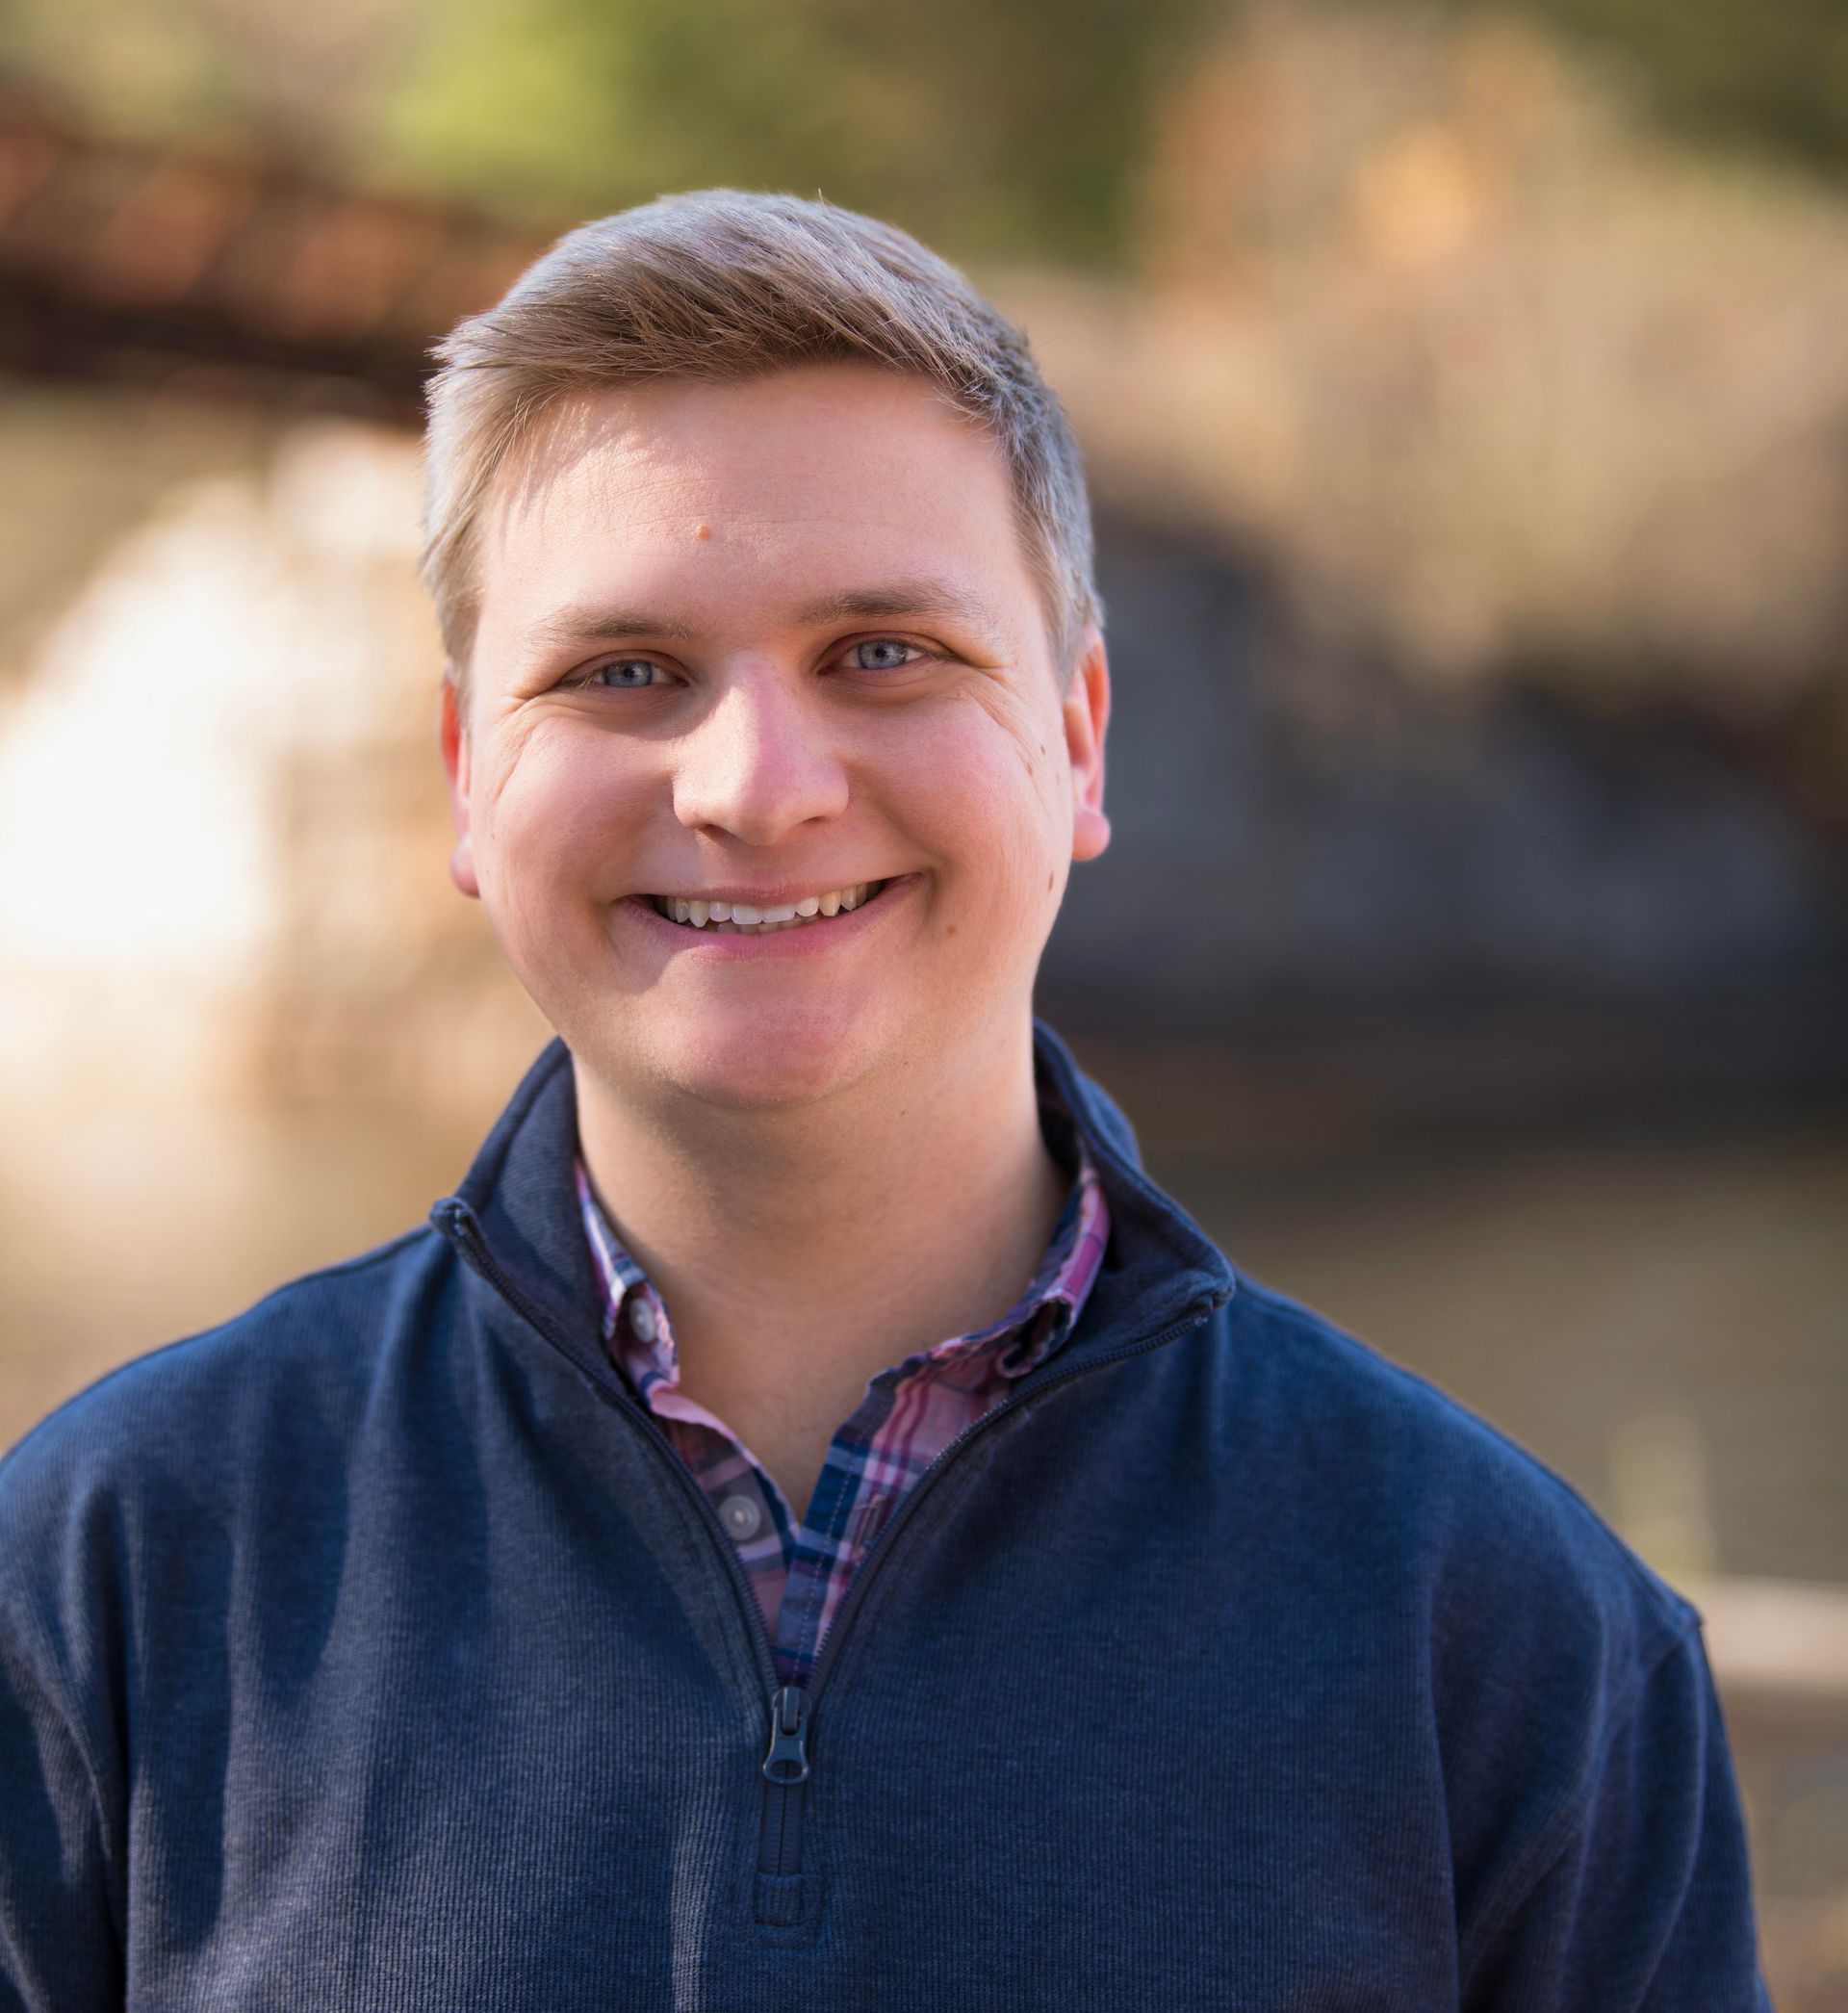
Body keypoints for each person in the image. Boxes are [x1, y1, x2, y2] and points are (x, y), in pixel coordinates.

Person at [0, 191, 1771, 2009]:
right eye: (625, 672)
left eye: (882, 655)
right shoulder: (103, 1575)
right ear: (468, 774)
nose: (757, 787)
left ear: (1078, 737)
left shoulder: (1506, 1639)